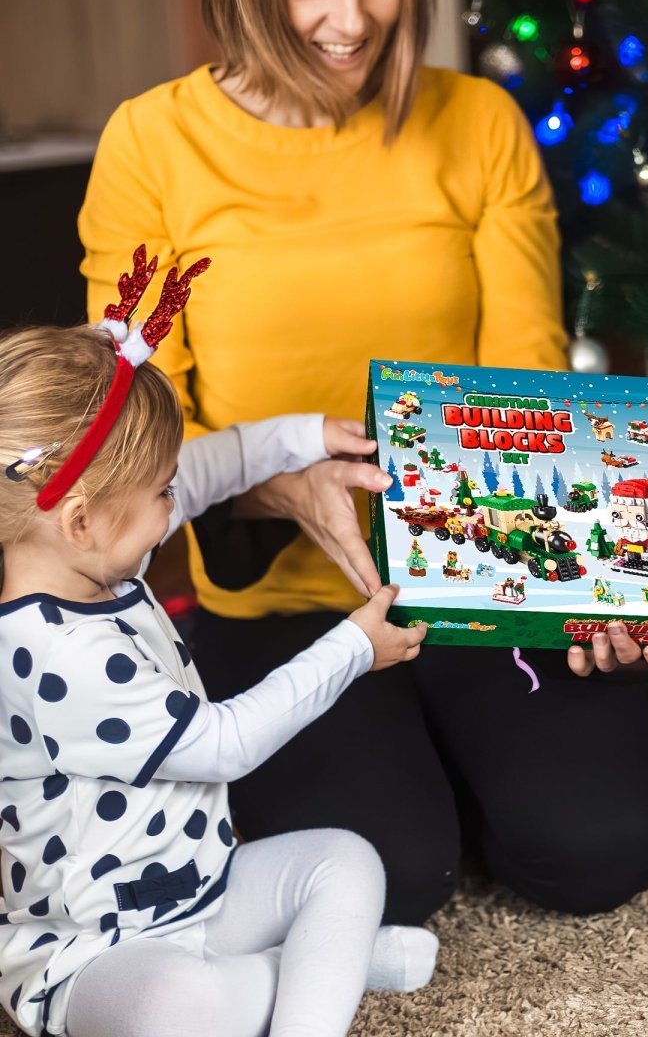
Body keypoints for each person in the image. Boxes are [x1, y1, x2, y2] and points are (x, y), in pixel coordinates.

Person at [78, 0, 648, 931]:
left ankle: (456, 766)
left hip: (481, 584)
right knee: (393, 881)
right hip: (281, 606)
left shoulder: (479, 126)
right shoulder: (151, 145)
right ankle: (422, 787)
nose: (348, 23)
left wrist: (594, 581)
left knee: (601, 854)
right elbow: (138, 432)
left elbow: (532, 391)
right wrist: (276, 488)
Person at [0, 274, 436, 1037]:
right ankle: (325, 967)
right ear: (82, 520)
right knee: (182, 1010)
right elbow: (226, 744)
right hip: (96, 952)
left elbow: (205, 471)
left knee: (347, 859)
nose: (178, 500)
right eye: (159, 494)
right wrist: (352, 649)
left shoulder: (100, 557)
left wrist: (306, 435)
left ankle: (310, 979)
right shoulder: (51, 657)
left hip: (206, 892)